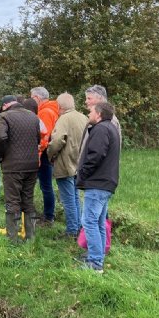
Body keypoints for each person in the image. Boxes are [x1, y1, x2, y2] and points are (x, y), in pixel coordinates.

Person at [77, 101, 121, 273]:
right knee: (99, 222)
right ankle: (97, 255)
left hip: (97, 183)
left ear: (99, 114)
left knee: (89, 221)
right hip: (105, 182)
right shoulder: (111, 128)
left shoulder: (101, 129)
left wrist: (83, 173)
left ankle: (95, 263)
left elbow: (95, 155)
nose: (88, 114)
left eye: (91, 111)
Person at [0, 95, 41, 242]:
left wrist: (0, 155)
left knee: (13, 200)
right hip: (32, 164)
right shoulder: (33, 117)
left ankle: (12, 238)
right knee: (28, 199)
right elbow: (38, 138)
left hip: (12, 166)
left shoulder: (4, 116)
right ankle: (30, 236)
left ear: (5, 105)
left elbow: (0, 137)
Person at [47, 93, 89, 238]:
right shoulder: (84, 117)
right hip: (79, 163)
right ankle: (78, 228)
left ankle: (71, 231)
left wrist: (49, 154)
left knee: (68, 199)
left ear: (59, 106)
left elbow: (57, 141)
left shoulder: (64, 119)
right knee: (76, 197)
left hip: (65, 164)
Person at [31, 87, 60, 226]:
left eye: (32, 97)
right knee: (45, 185)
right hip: (47, 153)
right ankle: (46, 214)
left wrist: (38, 152)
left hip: (43, 154)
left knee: (46, 186)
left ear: (37, 98)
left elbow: (44, 136)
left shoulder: (45, 112)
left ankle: (48, 216)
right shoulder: (51, 109)